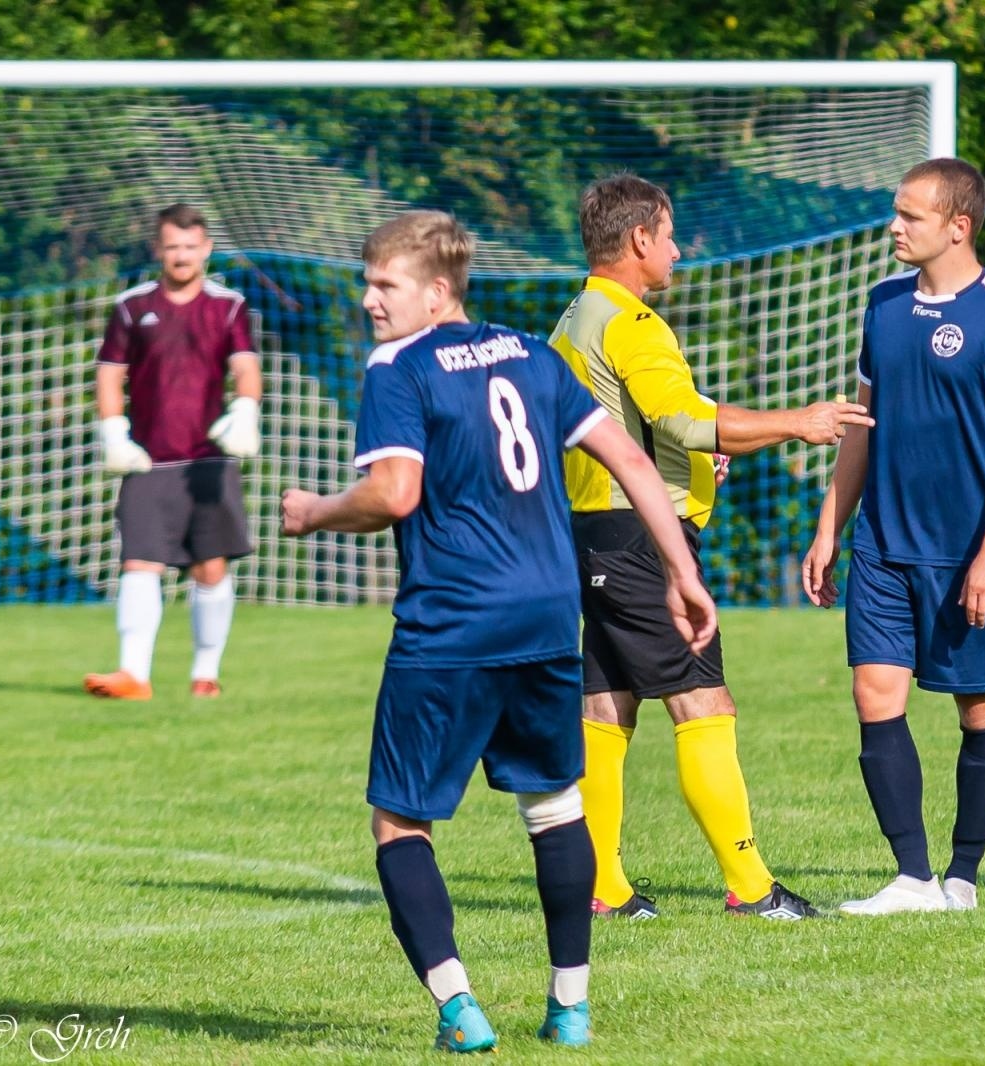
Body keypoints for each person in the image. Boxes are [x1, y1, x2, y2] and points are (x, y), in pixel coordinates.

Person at [280, 211, 716, 1050]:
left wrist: (315, 513)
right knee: (554, 807)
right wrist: (684, 572)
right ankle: (570, 1007)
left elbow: (395, 493)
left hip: (453, 621)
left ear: (437, 292)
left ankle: (458, 1009)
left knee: (401, 821)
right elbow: (631, 459)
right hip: (551, 615)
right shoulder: (529, 352)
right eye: (368, 283)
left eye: (385, 285)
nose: (369, 300)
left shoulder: (397, 368)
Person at [550, 173, 874, 921]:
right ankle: (754, 889)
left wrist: (695, 461)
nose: (675, 251)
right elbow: (689, 421)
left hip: (594, 531)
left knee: (605, 705)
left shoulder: (575, 315)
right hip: (639, 539)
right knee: (704, 702)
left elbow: (637, 428)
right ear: (638, 240)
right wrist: (800, 421)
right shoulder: (630, 322)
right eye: (669, 236)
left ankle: (602, 887)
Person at [801, 158, 985, 915]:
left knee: (979, 708)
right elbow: (862, 427)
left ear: (957, 226)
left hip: (965, 551)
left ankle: (963, 875)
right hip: (882, 544)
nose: (893, 228)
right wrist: (828, 529)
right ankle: (912, 877)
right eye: (895, 213)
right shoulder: (881, 306)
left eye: (908, 216)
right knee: (874, 695)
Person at [84, 203, 262, 701]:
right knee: (139, 561)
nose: (181, 256)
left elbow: (246, 366)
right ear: (158, 250)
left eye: (191, 247)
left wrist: (246, 410)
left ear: (205, 249)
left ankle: (205, 673)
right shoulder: (131, 307)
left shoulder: (229, 306)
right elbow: (109, 374)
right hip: (147, 460)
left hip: (209, 462)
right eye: (172, 247)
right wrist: (115, 433)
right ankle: (133, 674)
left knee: (211, 567)